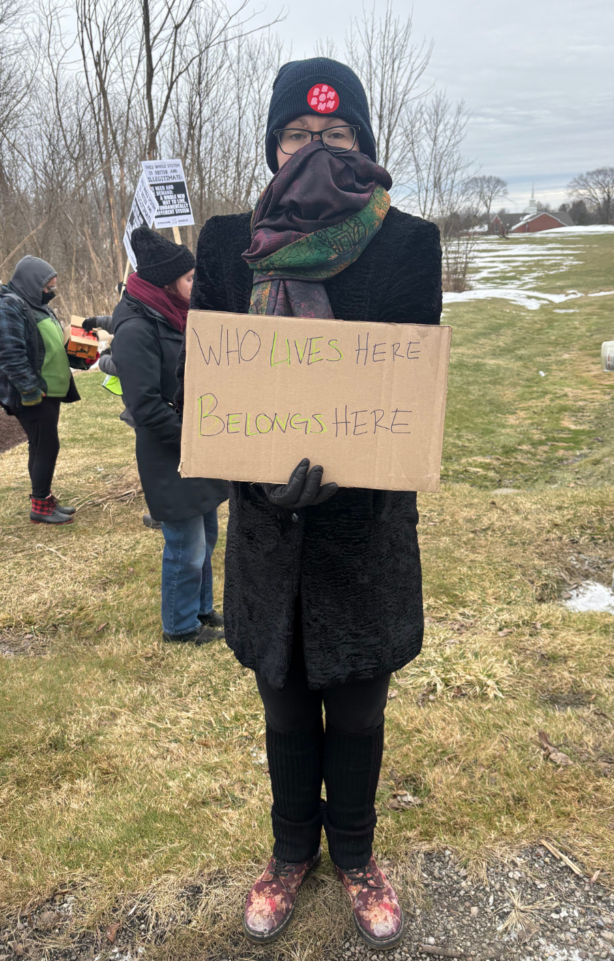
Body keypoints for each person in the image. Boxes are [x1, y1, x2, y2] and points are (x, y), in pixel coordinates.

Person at [177, 58, 442, 948]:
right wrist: (252, 474)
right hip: (267, 533)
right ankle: (291, 853)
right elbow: (207, 394)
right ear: (271, 145)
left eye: (338, 137)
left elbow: (405, 400)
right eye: (298, 136)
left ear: (365, 145)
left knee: (359, 707)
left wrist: (353, 468)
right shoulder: (223, 245)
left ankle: (358, 856)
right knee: (284, 704)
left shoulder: (407, 243)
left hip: (363, 532)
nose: (317, 151)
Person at [111, 226, 228, 644]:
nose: (197, 284)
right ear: (167, 282)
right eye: (191, 278)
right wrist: (194, 437)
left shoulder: (172, 315)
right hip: (169, 452)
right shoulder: (136, 329)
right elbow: (145, 407)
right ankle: (179, 627)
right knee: (185, 543)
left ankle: (201, 608)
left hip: (196, 444)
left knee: (207, 533)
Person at [0, 256, 80, 524]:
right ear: (32, 283)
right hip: (34, 394)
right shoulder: (10, 306)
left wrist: (78, 354)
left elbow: (47, 344)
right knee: (47, 445)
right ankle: (40, 506)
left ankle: (42, 499)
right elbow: (10, 353)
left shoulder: (34, 305)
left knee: (40, 444)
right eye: (47, 288)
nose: (50, 294)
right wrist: (29, 389)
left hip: (50, 392)